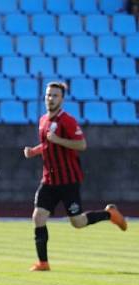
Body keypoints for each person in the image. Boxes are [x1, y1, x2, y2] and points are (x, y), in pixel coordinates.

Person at [22, 81, 127, 272]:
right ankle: (43, 263)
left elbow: (81, 145)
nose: (50, 98)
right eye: (48, 95)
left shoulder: (67, 121)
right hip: (49, 179)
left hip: (68, 181)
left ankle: (109, 214)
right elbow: (47, 145)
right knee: (38, 216)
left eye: (54, 95)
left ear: (62, 99)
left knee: (77, 222)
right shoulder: (43, 120)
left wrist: (59, 140)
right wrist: (34, 152)